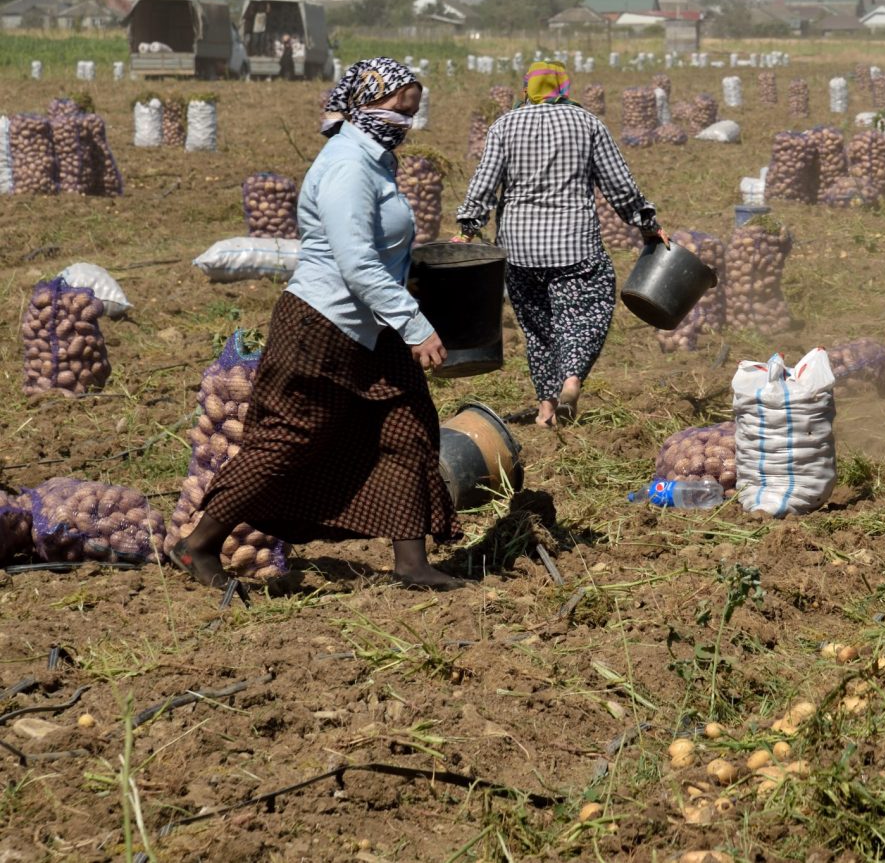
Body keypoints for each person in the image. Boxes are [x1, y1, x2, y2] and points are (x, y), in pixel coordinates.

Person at [170, 58, 464, 591]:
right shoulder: (350, 165)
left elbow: (377, 252)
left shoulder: (376, 160)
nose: (406, 119)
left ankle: (412, 562)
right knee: (289, 438)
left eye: (413, 109)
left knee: (408, 427)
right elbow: (354, 264)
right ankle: (199, 543)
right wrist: (415, 324)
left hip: (372, 328)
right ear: (364, 102)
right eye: (398, 105)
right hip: (323, 326)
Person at [456, 60, 661, 427]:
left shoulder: (504, 125)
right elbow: (619, 184)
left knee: (538, 329)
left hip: (518, 250)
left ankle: (546, 408)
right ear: (564, 88)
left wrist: (467, 229)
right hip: (574, 245)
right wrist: (646, 224)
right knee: (584, 313)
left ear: (526, 88)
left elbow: (484, 184)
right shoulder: (587, 124)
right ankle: (571, 381)